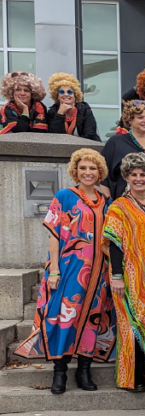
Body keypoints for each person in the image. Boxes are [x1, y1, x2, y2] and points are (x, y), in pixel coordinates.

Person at [16, 149, 115, 393]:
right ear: (75, 171)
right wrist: (54, 271)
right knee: (63, 317)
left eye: (92, 168)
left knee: (92, 318)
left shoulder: (105, 200)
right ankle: (59, 372)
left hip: (99, 272)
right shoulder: (64, 196)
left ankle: (84, 370)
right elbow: (54, 236)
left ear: (99, 171)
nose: (88, 172)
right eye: (83, 168)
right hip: (70, 269)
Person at [102, 153, 145, 392]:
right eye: (134, 174)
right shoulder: (119, 206)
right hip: (130, 275)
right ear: (126, 177)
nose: (139, 178)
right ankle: (133, 377)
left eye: (143, 174)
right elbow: (113, 242)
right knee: (133, 322)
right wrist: (118, 276)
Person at [101, 103, 145, 198]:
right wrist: (107, 202)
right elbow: (104, 176)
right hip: (123, 203)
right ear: (130, 119)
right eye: (140, 117)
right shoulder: (116, 142)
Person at [45, 73, 99, 140]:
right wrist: (60, 114)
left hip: (84, 148)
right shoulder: (52, 113)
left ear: (75, 95)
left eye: (69, 92)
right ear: (57, 96)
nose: (66, 94)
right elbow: (54, 137)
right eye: (62, 92)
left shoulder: (85, 110)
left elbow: (90, 134)